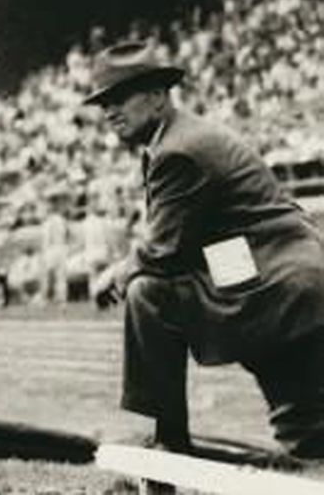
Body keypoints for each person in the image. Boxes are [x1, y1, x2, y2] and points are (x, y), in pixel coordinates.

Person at [88, 41, 324, 458]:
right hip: (270, 276)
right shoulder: (178, 138)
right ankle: (169, 441)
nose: (109, 111)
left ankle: (169, 441)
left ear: (159, 97)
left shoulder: (179, 149)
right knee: (308, 441)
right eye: (103, 102)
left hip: (276, 284)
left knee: (147, 292)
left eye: (119, 97)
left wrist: (117, 272)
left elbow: (161, 251)